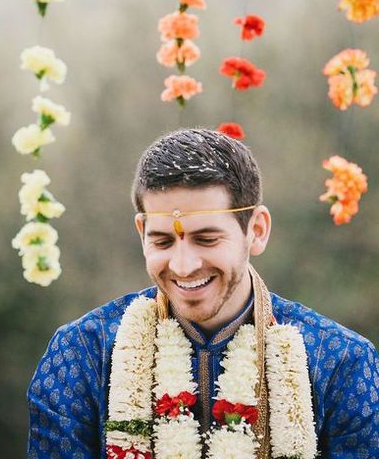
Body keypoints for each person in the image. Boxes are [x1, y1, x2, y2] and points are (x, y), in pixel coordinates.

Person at [28, 128, 379, 458]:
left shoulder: (340, 363)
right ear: (141, 231)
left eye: (206, 239)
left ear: (256, 230)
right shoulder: (82, 354)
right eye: (162, 240)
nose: (182, 266)